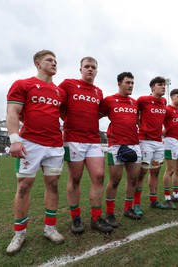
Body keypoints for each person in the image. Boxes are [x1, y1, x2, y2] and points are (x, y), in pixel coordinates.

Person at [5, 50, 66, 255]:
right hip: (30, 143)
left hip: (55, 145)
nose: (54, 63)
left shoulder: (60, 92)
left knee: (53, 185)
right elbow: (12, 112)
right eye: (49, 60)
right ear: (38, 63)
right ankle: (19, 232)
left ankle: (50, 228)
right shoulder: (23, 84)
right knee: (24, 186)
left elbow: (63, 116)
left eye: (56, 60)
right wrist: (15, 139)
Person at [59, 56, 113, 234]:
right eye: (87, 66)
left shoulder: (98, 92)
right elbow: (60, 107)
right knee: (75, 179)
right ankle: (75, 218)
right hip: (73, 140)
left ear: (97, 71)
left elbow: (96, 113)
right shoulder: (68, 84)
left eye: (93, 67)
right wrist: (70, 120)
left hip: (93, 141)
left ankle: (96, 218)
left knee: (98, 176)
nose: (90, 69)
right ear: (80, 69)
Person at [99, 72, 142, 228]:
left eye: (132, 83)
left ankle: (128, 209)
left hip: (135, 145)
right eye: (127, 82)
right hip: (115, 146)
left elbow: (139, 122)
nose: (130, 85)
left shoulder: (135, 103)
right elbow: (95, 116)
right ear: (119, 83)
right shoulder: (109, 100)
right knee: (115, 180)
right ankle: (110, 214)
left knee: (133, 179)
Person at [133, 76, 168, 214]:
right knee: (141, 173)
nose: (163, 87)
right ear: (153, 87)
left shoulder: (164, 101)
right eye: (160, 85)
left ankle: (154, 201)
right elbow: (134, 112)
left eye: (164, 85)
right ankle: (136, 204)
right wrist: (141, 126)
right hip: (145, 141)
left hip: (159, 142)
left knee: (155, 171)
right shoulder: (143, 100)